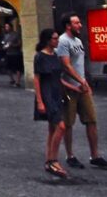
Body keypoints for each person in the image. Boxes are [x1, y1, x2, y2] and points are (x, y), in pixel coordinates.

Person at [57, 13, 107, 170]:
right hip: (69, 88)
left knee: (91, 120)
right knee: (68, 123)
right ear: (68, 26)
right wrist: (81, 81)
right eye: (76, 23)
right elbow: (66, 65)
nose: (80, 25)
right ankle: (70, 155)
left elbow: (79, 64)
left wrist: (85, 81)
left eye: (79, 22)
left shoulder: (78, 41)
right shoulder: (62, 41)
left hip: (83, 88)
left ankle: (95, 155)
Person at [33, 28, 69, 178]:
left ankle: (49, 160)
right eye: (55, 39)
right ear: (48, 40)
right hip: (47, 95)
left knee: (52, 129)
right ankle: (53, 160)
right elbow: (37, 79)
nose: (57, 41)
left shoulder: (55, 55)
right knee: (61, 126)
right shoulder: (40, 57)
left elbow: (58, 78)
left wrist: (74, 87)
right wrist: (40, 101)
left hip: (56, 94)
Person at [2, 22, 23, 87]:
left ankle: (18, 81)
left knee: (17, 68)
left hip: (16, 53)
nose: (6, 28)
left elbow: (20, 43)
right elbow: (3, 43)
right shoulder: (5, 35)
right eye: (5, 27)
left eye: (7, 26)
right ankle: (12, 79)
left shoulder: (16, 34)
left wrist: (12, 45)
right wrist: (4, 46)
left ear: (11, 27)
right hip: (8, 53)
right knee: (7, 67)